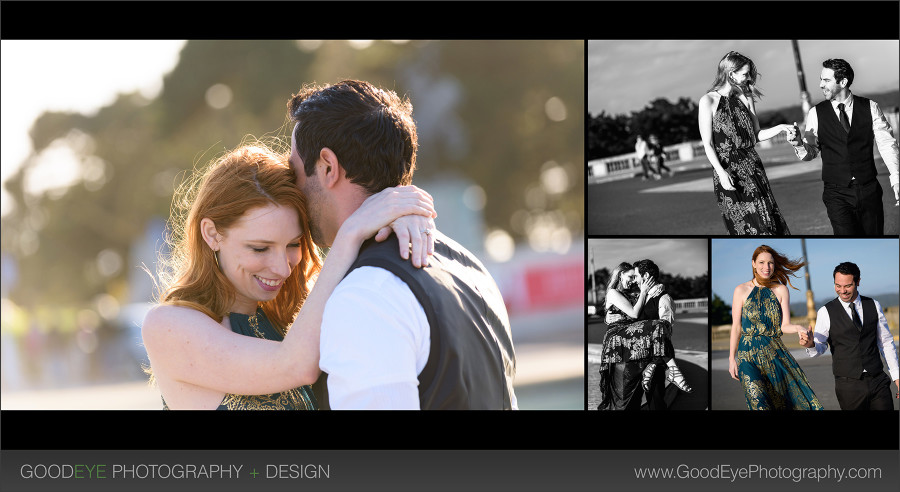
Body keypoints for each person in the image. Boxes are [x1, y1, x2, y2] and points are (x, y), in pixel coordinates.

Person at [140, 144, 437, 409]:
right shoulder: (167, 326)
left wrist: (403, 214)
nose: (282, 268)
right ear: (212, 233)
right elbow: (293, 365)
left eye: (293, 245)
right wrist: (352, 231)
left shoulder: (294, 320)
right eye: (260, 248)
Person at [287, 79, 517, 410]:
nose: (292, 189)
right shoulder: (471, 270)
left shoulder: (364, 296)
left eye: (294, 171)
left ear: (327, 167)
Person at [786, 58, 900, 235]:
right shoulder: (816, 113)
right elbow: (811, 152)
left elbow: (887, 144)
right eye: (821, 79)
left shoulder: (871, 107)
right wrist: (799, 144)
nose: (821, 84)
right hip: (836, 193)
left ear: (843, 82)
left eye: (826, 80)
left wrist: (896, 177)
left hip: (869, 189)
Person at [698, 51, 794, 235]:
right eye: (744, 74)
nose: (748, 78)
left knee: (766, 220)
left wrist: (781, 127)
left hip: (753, 166)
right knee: (742, 225)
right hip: (727, 170)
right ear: (730, 73)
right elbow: (708, 144)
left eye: (749, 73)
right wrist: (721, 172)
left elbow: (757, 135)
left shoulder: (746, 96)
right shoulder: (708, 101)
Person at [728, 245, 823, 410]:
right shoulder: (741, 290)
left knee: (787, 403)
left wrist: (799, 328)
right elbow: (736, 326)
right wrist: (731, 358)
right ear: (753, 264)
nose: (766, 267)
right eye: (762, 262)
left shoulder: (781, 290)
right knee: (759, 403)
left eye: (770, 263)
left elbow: (784, 325)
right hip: (747, 356)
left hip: (773, 353)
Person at [799, 262, 899, 410]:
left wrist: (897, 376)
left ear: (858, 282)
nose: (842, 291)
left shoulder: (874, 305)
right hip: (848, 387)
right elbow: (819, 348)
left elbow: (885, 342)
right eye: (838, 286)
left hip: (878, 381)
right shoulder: (825, 312)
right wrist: (810, 345)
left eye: (848, 286)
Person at [597, 259, 687, 411]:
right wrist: (608, 318)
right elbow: (633, 314)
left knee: (644, 397)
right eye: (630, 277)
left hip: (640, 348)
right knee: (623, 397)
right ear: (620, 275)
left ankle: (670, 370)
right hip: (620, 343)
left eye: (635, 277)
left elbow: (662, 324)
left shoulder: (636, 294)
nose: (633, 281)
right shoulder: (616, 292)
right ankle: (674, 370)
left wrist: (651, 290)